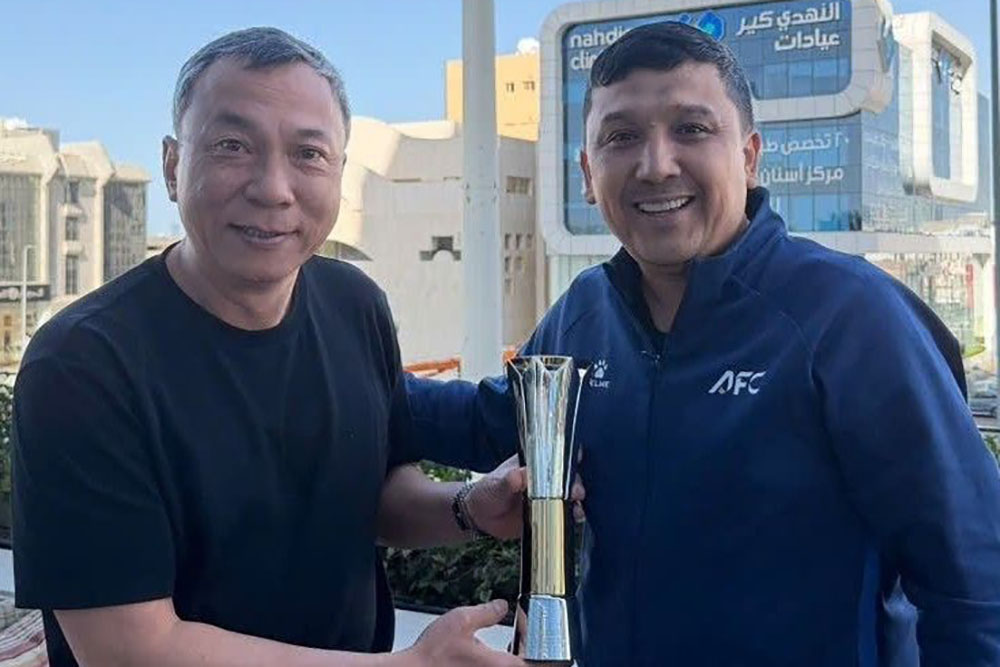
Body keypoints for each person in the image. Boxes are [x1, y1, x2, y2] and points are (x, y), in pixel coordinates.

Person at [406, 21, 1000, 666]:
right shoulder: (584, 312)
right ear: (587, 170)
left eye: (691, 129)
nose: (656, 164)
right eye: (621, 137)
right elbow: (485, 421)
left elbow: (973, 581)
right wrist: (330, 360)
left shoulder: (849, 315)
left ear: (748, 156)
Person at [12, 27, 528, 667]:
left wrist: (471, 507)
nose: (273, 188)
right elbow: (128, 649)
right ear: (175, 166)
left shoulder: (354, 303)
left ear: (339, 171)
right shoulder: (83, 365)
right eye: (232, 146)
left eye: (309, 154)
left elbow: (376, 495)